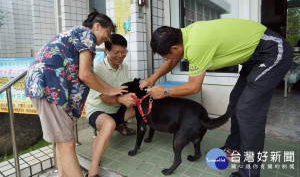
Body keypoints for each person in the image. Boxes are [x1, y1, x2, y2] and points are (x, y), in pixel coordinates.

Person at [140, 18, 293, 177]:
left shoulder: (196, 45)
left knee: (248, 112)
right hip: (253, 58)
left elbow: (193, 87)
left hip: (272, 51)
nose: (167, 60)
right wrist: (152, 78)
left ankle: (249, 173)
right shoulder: (184, 36)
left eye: (166, 56)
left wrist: (164, 92)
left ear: (174, 47)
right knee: (235, 101)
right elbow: (173, 59)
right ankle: (234, 147)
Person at [25, 9, 127, 177]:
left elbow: (89, 74)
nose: (104, 40)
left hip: (44, 86)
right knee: (67, 143)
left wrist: (111, 89)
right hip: (51, 87)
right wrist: (110, 90)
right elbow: (85, 75)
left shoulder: (76, 34)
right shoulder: (87, 35)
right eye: (106, 33)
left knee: (62, 142)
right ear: (97, 27)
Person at [85, 34, 136, 177]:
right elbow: (104, 97)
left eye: (123, 51)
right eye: (116, 52)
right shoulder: (99, 69)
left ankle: (120, 124)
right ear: (106, 50)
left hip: (116, 109)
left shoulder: (124, 66)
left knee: (140, 107)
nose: (121, 55)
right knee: (108, 124)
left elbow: (123, 89)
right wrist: (121, 100)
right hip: (98, 111)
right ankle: (93, 169)